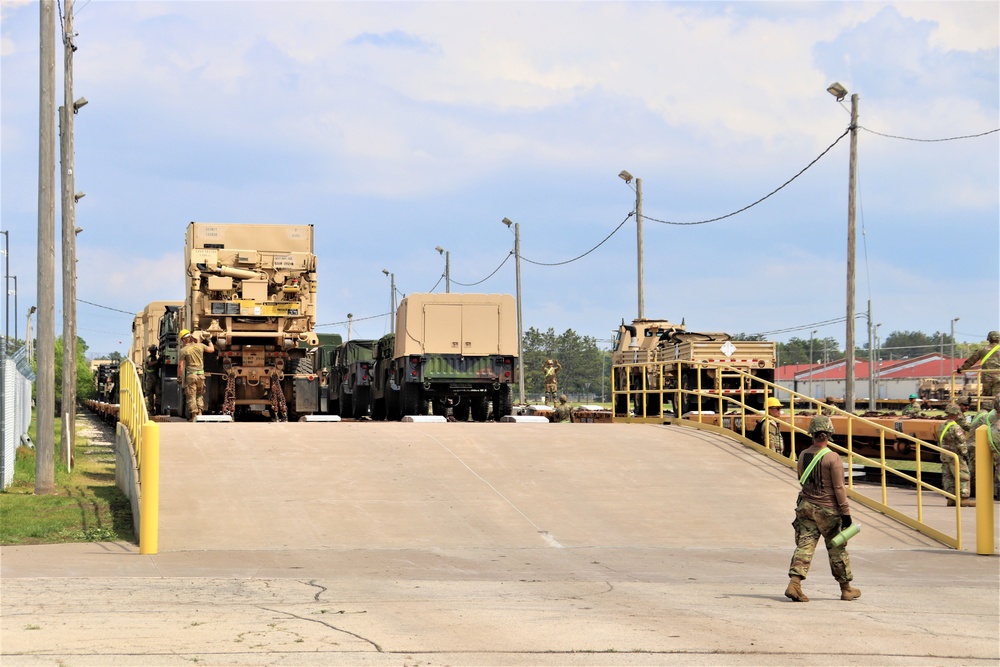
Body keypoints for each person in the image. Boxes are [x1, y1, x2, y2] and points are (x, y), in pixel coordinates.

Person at [785, 415, 861, 603]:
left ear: (811, 434)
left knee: (805, 545)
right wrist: (846, 513)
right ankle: (846, 588)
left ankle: (795, 583)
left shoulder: (803, 455)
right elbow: (838, 488)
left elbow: (801, 478)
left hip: (806, 507)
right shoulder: (833, 457)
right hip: (828, 510)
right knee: (837, 548)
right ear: (828, 434)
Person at [937, 403, 974, 507]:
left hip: (945, 455)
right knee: (964, 476)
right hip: (955, 456)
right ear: (956, 414)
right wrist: (965, 455)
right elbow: (961, 443)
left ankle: (951, 499)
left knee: (948, 477)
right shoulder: (956, 427)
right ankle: (964, 499)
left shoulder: (942, 426)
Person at [177, 329, 215, 422]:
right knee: (199, 394)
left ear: (183, 340)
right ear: (190, 337)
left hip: (191, 375)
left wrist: (179, 377)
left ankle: (194, 416)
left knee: (191, 395)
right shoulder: (200, 346)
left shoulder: (183, 350)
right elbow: (212, 349)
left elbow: (180, 366)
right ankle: (200, 413)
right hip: (201, 375)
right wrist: (209, 340)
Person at [957, 331, 1000, 403]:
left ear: (988, 339)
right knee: (998, 399)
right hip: (998, 379)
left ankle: (987, 412)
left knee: (987, 400)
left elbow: (971, 361)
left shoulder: (982, 350)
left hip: (986, 378)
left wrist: (961, 369)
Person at [143, 344, 160, 415]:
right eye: (153, 351)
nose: (154, 352)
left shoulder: (155, 358)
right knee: (150, 396)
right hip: (150, 380)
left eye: (155, 351)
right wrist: (158, 361)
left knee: (158, 394)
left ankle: (158, 410)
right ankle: (151, 411)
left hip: (156, 379)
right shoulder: (149, 358)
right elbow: (150, 363)